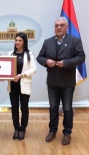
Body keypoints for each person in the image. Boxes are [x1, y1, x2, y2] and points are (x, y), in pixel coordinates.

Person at [37, 17, 85, 145]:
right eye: (56, 25)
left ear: (66, 27)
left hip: (67, 81)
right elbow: (40, 57)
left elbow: (81, 57)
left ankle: (67, 133)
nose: (58, 27)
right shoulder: (48, 42)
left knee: (67, 108)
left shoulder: (74, 41)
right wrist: (46, 61)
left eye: (61, 25)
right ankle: (52, 131)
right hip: (52, 81)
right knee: (53, 107)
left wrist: (66, 63)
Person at [7, 32, 37, 140]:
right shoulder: (10, 53)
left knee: (24, 108)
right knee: (14, 108)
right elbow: (6, 69)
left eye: (20, 40)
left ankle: (23, 129)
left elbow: (34, 69)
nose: (17, 42)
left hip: (24, 84)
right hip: (13, 86)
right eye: (16, 40)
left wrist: (22, 75)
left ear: (24, 42)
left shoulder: (29, 54)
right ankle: (16, 128)